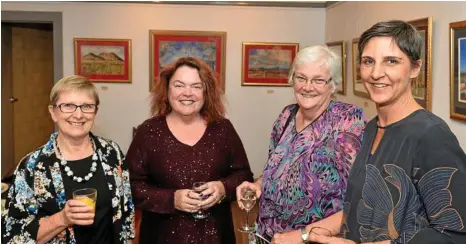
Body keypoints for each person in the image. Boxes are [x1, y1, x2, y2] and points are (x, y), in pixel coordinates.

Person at [309, 20, 466, 244]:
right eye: (368, 61)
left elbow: (455, 234)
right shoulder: (371, 127)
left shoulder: (431, 134)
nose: (376, 73)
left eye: (391, 61)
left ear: (415, 68)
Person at [236, 45, 366, 243]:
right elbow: (277, 167)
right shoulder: (286, 116)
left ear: (333, 84)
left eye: (318, 80)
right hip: (268, 237)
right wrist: (257, 185)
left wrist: (303, 235)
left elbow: (360, 201)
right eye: (301, 78)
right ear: (292, 79)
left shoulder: (347, 121)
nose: (307, 87)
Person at [127, 56, 254, 244]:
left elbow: (243, 175)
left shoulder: (223, 129)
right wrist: (172, 199)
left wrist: (222, 188)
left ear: (206, 92)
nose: (188, 93)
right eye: (179, 85)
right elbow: (131, 186)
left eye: (196, 86)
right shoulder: (148, 132)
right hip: (161, 237)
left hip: (216, 236)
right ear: (167, 90)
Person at [1, 75, 135, 243]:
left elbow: (126, 215)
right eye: (68, 106)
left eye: (87, 106)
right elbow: (14, 236)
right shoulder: (33, 166)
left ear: (95, 111)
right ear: (53, 112)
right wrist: (62, 218)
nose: (78, 115)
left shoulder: (112, 153)